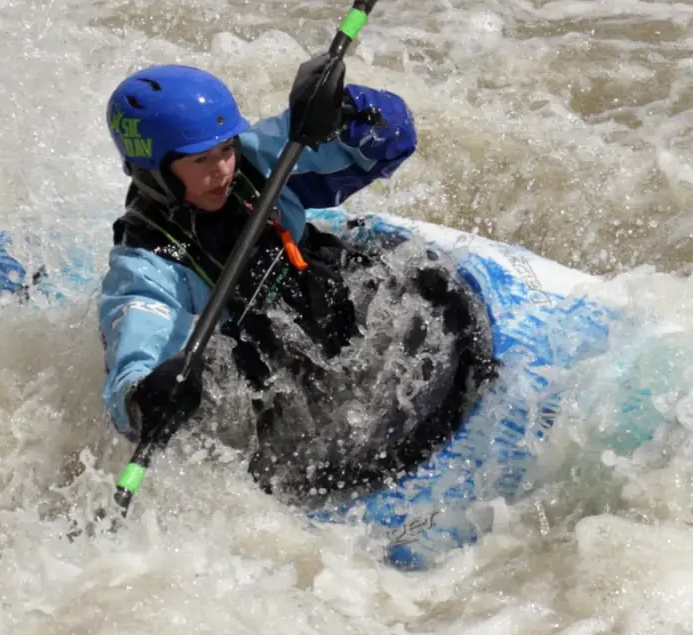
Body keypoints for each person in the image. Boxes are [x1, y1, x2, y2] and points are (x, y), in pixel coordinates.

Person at [98, 59, 490, 501]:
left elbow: (390, 143)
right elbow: (134, 352)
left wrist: (348, 110)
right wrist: (143, 398)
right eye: (201, 160)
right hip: (272, 374)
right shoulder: (148, 261)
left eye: (225, 149)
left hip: (327, 294)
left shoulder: (262, 157)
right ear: (154, 171)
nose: (223, 169)